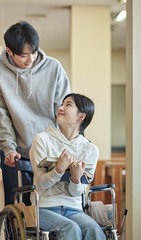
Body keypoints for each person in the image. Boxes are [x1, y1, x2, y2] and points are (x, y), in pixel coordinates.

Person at [0, 21, 71, 206]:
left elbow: (65, 112)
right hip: (17, 152)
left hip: (50, 152)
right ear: (9, 51)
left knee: (50, 209)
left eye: (34, 52)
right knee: (18, 209)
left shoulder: (53, 68)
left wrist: (70, 144)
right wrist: (8, 148)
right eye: (24, 55)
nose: (30, 59)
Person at [29, 93, 105, 240]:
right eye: (62, 104)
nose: (61, 108)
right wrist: (58, 170)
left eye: (68, 105)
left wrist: (76, 179)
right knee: (70, 228)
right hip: (44, 207)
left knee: (93, 229)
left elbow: (76, 193)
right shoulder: (42, 140)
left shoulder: (90, 150)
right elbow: (41, 184)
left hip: (74, 209)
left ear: (81, 117)